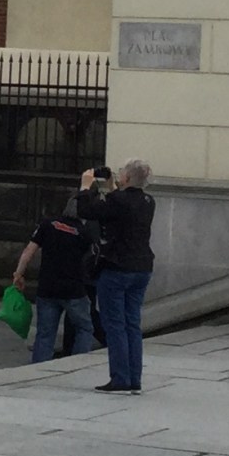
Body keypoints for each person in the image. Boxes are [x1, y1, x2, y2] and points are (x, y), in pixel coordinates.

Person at [78, 159, 155, 393]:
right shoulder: (148, 201)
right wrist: (111, 187)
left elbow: (87, 211)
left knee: (115, 325)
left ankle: (120, 378)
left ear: (127, 178)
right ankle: (134, 379)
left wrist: (85, 186)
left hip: (117, 267)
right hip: (142, 267)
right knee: (132, 323)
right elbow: (120, 209)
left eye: (122, 173)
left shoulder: (118, 200)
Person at [13, 199, 96, 367]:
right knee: (84, 328)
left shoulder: (47, 225)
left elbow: (29, 251)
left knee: (45, 333)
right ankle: (78, 365)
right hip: (74, 290)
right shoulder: (84, 233)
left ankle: (39, 368)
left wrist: (18, 274)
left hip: (47, 288)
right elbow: (91, 260)